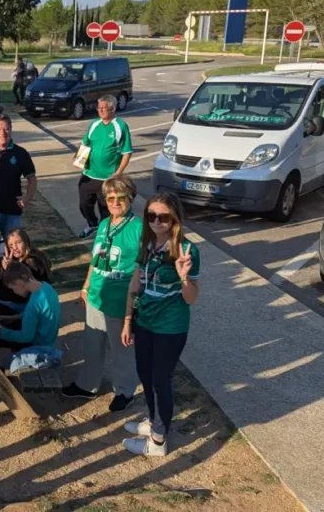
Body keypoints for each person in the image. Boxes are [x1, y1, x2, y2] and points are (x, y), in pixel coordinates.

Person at [121, 193, 200, 457]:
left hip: (171, 327)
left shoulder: (188, 251)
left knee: (159, 379)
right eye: (151, 216)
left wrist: (184, 278)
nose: (156, 221)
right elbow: (135, 284)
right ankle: (154, 420)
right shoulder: (146, 243)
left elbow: (190, 298)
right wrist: (128, 319)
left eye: (163, 217)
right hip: (144, 322)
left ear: (174, 218)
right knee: (145, 374)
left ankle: (158, 441)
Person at [62, 175, 142, 413]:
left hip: (121, 301)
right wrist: (86, 286)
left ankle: (125, 390)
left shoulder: (139, 227)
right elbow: (96, 259)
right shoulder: (105, 224)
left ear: (131, 199)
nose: (115, 202)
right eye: (110, 198)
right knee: (92, 344)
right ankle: (88, 385)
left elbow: (144, 265)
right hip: (97, 295)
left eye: (121, 197)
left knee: (122, 350)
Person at [77, 95, 133, 239]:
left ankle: (104, 233)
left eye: (104, 108)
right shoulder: (94, 124)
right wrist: (79, 160)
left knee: (106, 210)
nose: (100, 111)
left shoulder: (120, 126)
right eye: (99, 107)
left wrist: (118, 173)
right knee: (84, 204)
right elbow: (85, 144)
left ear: (113, 108)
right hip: (89, 175)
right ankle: (92, 224)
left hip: (107, 179)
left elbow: (126, 152)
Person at [0, 261, 60, 352]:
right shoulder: (46, 287)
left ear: (19, 284)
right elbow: (36, 313)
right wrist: (13, 318)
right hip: (48, 339)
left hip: (37, 344)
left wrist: (2, 331)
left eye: (13, 288)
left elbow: (25, 337)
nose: (14, 292)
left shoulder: (34, 304)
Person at [0, 228, 52, 308]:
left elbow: (18, 292)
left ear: (26, 241)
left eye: (18, 242)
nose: (15, 247)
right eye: (11, 245)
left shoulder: (31, 262)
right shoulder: (21, 258)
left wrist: (8, 270)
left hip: (27, 305)